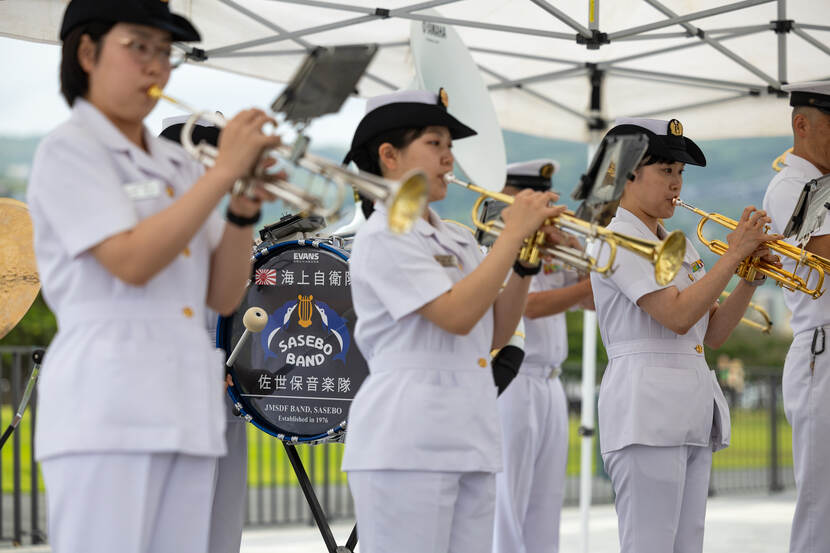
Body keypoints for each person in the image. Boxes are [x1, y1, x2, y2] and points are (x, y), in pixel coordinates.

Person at [26, 2, 277, 551]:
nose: (156, 66)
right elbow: (132, 261)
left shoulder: (180, 168)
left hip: (184, 405)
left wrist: (242, 209)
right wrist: (224, 177)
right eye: (139, 46)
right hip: (108, 405)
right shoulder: (70, 149)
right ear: (87, 53)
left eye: (165, 52)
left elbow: (223, 291)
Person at [339, 89, 566, 553]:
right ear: (389, 156)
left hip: (469, 433)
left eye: (450, 147)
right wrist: (512, 237)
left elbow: (497, 333)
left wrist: (524, 262)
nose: (449, 160)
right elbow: (456, 316)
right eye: (435, 145)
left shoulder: (456, 237)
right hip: (407, 440)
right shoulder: (384, 234)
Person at [590, 117, 779, 553]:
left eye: (680, 174)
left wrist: (750, 276)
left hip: (686, 412)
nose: (677, 185)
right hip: (645, 415)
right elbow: (674, 315)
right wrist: (733, 255)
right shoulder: (615, 236)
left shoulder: (676, 242)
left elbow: (712, 332)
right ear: (626, 173)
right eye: (665, 172)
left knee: (686, 545)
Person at [491, 159, 594, 553]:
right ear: (510, 196)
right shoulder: (499, 242)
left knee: (546, 501)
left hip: (550, 382)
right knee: (508, 500)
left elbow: (593, 302)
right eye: (533, 196)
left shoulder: (549, 244)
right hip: (514, 380)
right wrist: (592, 281)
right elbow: (530, 306)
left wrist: (574, 250)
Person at [160, 115, 248, 553]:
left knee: (221, 525)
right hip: (171, 398)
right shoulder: (154, 224)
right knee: (177, 529)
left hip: (223, 398)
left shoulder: (217, 228)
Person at [762, 81, 830, 553]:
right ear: (800, 124)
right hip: (822, 350)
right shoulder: (793, 185)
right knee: (821, 508)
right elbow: (825, 254)